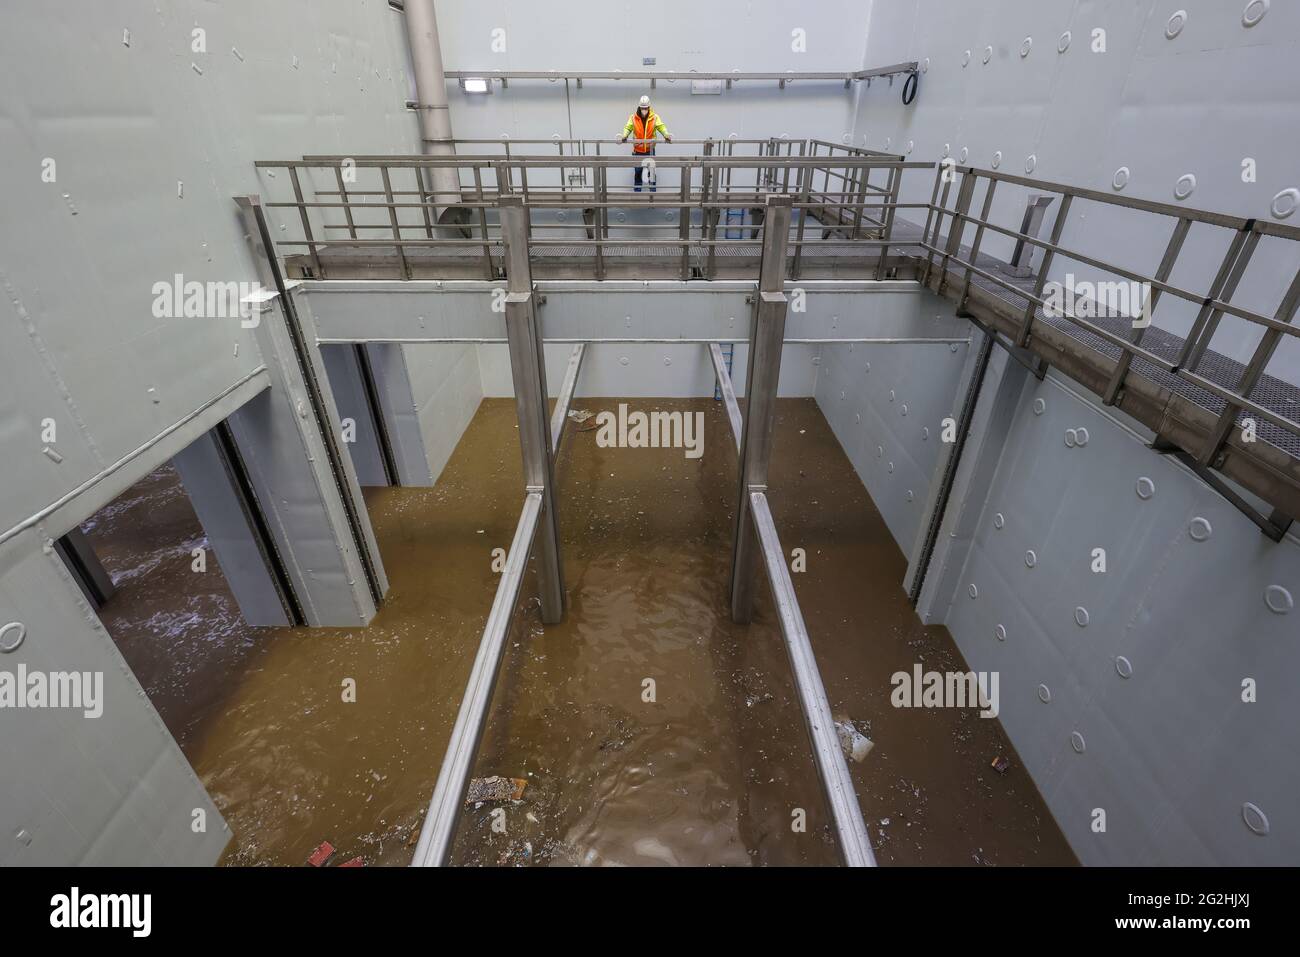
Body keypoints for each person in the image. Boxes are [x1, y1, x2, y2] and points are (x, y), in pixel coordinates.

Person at [618, 95, 672, 192]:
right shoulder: (633, 117)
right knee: (638, 172)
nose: (644, 110)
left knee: (651, 173)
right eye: (642, 108)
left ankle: (652, 194)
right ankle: (637, 195)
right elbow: (628, 127)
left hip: (650, 150)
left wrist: (666, 135)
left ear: (649, 107)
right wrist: (624, 136)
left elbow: (661, 126)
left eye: (646, 108)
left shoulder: (655, 117)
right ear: (639, 107)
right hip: (637, 151)